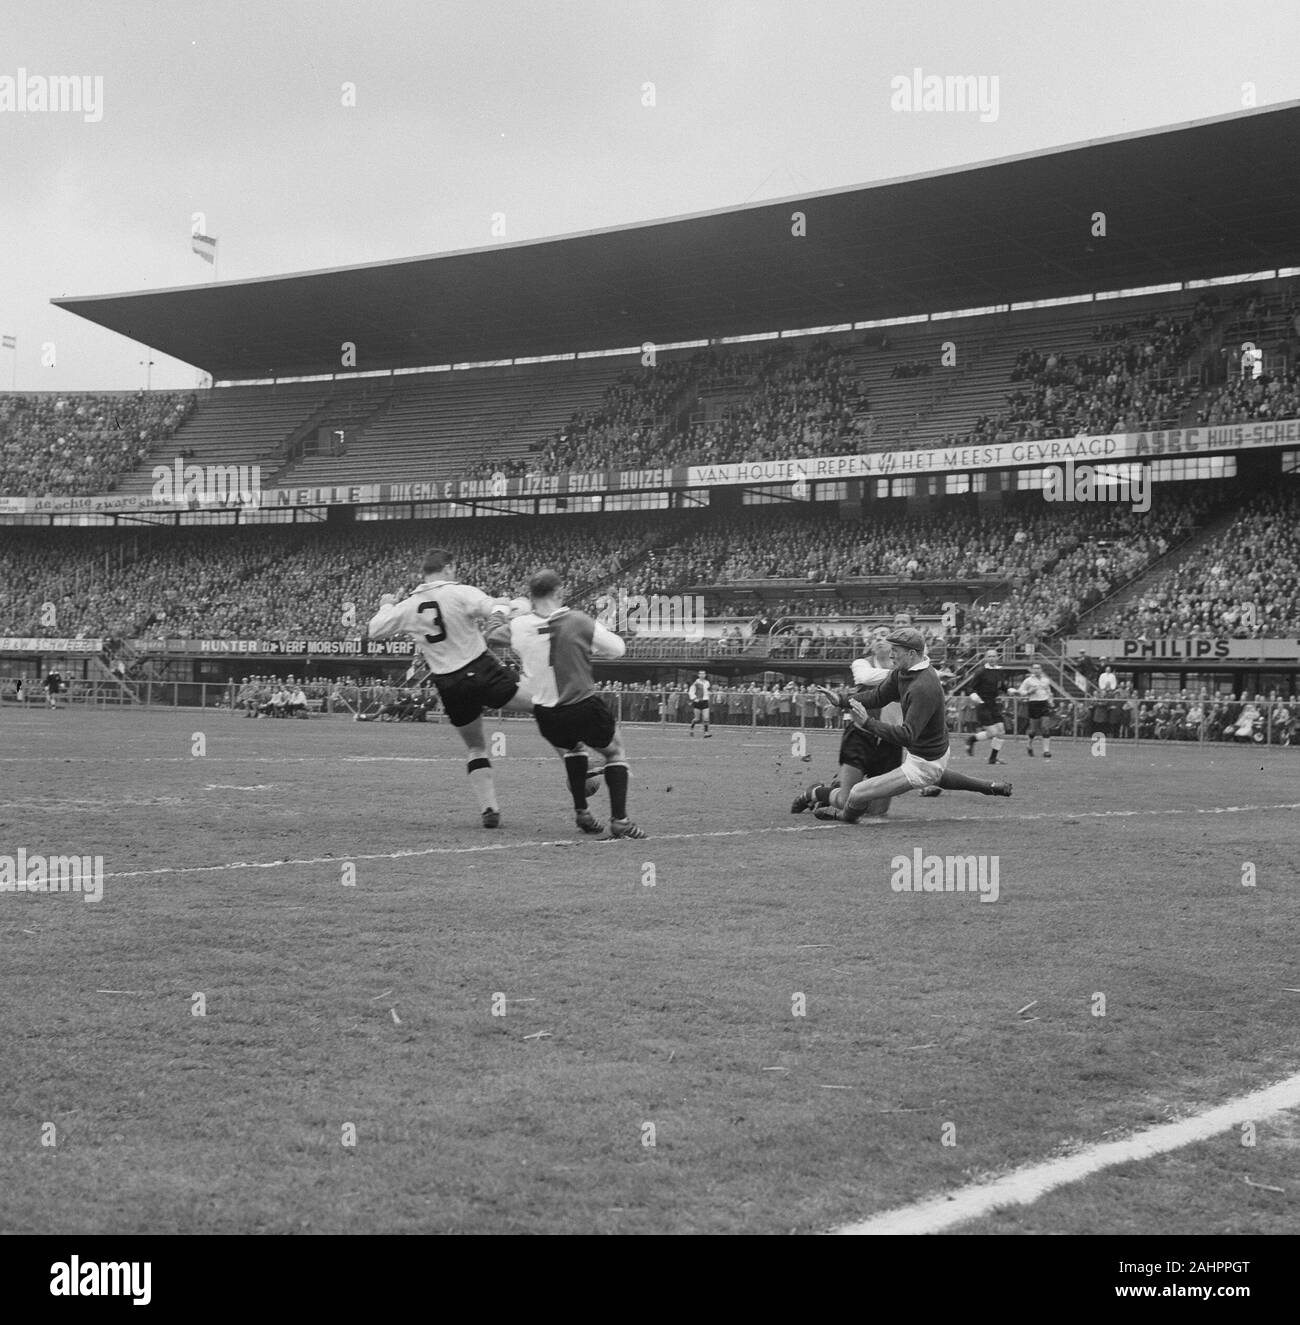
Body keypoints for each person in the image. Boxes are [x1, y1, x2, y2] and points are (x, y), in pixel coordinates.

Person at [368, 547, 531, 829]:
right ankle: (580, 769)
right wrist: (505, 607)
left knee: (476, 746)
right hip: (480, 668)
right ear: (447, 568)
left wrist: (386, 604)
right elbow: (491, 607)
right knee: (543, 703)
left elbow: (375, 629)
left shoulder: (407, 606)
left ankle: (489, 808)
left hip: (449, 683)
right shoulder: (459, 592)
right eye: (453, 568)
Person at [497, 568, 647, 840]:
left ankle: (583, 813)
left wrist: (508, 614)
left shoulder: (518, 626)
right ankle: (621, 821)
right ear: (558, 592)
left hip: (546, 714)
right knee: (615, 752)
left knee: (573, 749)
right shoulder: (577, 620)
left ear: (531, 596)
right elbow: (618, 649)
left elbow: (492, 636)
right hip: (581, 704)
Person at [810, 627, 976, 823]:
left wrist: (928, 673)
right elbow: (871, 685)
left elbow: (907, 732)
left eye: (892, 647)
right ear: (871, 644)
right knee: (848, 799)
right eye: (877, 637)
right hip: (862, 735)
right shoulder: (864, 664)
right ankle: (815, 793)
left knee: (877, 811)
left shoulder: (916, 679)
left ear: (911, 653)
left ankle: (842, 792)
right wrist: (842, 699)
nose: (886, 647)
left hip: (891, 741)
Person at [963, 649, 1009, 765]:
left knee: (1001, 731)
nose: (992, 658)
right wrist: (974, 696)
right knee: (993, 732)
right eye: (989, 656)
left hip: (994, 704)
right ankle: (972, 739)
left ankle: (992, 758)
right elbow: (970, 688)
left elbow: (1003, 686)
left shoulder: (999, 671)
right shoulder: (981, 671)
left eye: (994, 656)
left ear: (998, 657)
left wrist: (1010, 690)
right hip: (983, 704)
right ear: (985, 658)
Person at [1017, 662, 1055, 758]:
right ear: (1032, 670)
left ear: (1041, 669)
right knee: (1033, 730)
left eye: (1038, 668)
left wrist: (1051, 701)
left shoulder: (1046, 680)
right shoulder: (1028, 681)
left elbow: (1049, 692)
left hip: (1044, 704)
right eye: (1035, 668)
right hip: (1033, 704)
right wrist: (1029, 692)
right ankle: (1029, 745)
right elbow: (1021, 691)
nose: (1037, 670)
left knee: (1045, 728)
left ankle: (1046, 751)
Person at [688, 670, 712, 737]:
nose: (702, 675)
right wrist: (695, 698)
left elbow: (708, 690)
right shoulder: (696, 682)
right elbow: (691, 691)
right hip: (698, 702)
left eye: (703, 674)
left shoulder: (707, 682)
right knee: (697, 719)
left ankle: (706, 733)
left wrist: (709, 693)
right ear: (698, 675)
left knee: (706, 718)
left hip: (705, 701)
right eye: (701, 674)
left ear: (705, 675)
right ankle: (691, 728)